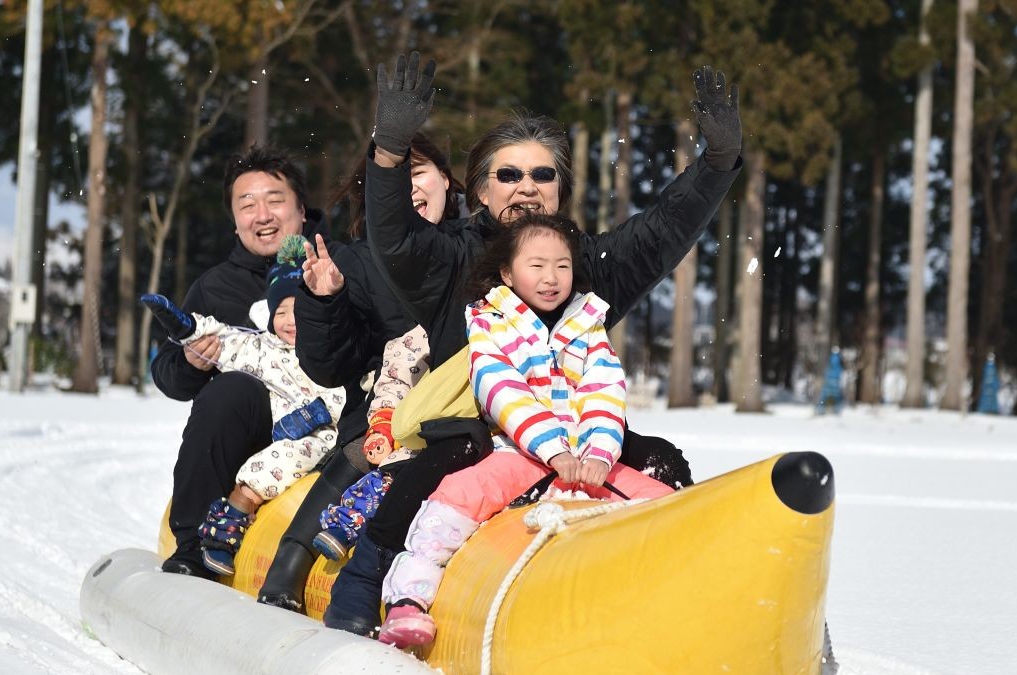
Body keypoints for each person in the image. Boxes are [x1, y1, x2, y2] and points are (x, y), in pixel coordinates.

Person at [322, 51, 742, 635]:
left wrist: (717, 161)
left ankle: (673, 587)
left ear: (561, 191)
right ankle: (368, 576)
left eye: (542, 174)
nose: (526, 187)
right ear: (479, 191)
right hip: (471, 428)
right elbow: (394, 238)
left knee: (660, 458)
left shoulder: (583, 264)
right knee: (439, 467)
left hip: (573, 433)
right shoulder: (451, 259)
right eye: (508, 174)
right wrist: (390, 153)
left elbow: (664, 227)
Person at [376, 213, 674, 648]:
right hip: (518, 453)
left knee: (661, 502)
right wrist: (553, 451)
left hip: (587, 461)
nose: (551, 277)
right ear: (507, 272)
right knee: (456, 499)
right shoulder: (489, 322)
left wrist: (599, 455)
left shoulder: (589, 325)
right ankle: (408, 601)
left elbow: (605, 391)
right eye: (536, 265)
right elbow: (502, 391)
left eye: (562, 265)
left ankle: (680, 591)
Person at [254, 133, 465, 610]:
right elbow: (330, 366)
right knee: (362, 448)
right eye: (391, 180)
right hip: (380, 413)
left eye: (417, 173)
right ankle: (294, 555)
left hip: (464, 412)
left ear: (446, 181)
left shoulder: (471, 250)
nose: (407, 188)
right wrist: (324, 301)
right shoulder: (352, 261)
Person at [151, 145, 343, 579]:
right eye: (247, 204)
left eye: (275, 200)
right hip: (254, 436)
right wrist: (191, 364)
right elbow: (167, 376)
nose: (263, 215)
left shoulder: (339, 265)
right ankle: (194, 542)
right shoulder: (216, 287)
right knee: (230, 388)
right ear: (234, 220)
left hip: (333, 428)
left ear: (300, 207)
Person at [313, 324, 430, 561]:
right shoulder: (423, 335)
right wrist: (383, 424)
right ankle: (345, 526)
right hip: (419, 431)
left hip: (482, 434)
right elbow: (395, 379)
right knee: (385, 479)